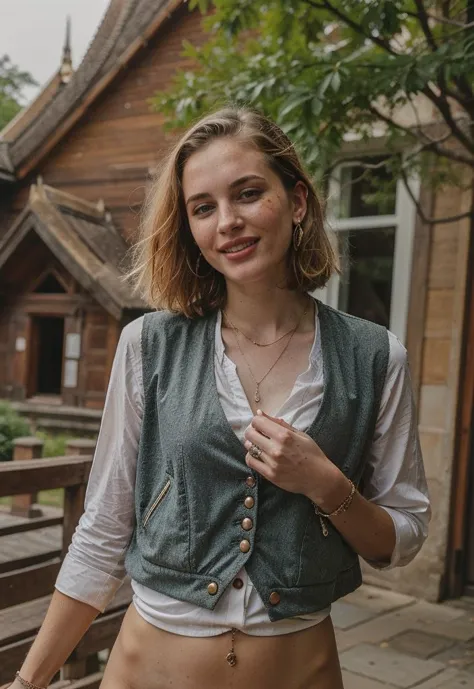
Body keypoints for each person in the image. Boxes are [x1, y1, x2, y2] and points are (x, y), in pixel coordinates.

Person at [6, 107, 430, 689]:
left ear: (298, 202)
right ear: (190, 228)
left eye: (248, 193)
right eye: (203, 207)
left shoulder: (378, 356)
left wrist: (329, 486)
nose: (227, 221)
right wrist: (29, 682)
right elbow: (103, 529)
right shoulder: (147, 345)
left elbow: (401, 538)